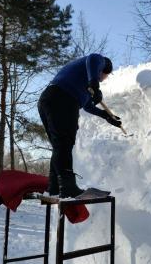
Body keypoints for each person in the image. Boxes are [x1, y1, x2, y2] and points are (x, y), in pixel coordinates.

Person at [38, 54, 122, 198]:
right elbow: (93, 58)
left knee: (59, 145)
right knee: (64, 143)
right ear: (104, 70)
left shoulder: (83, 82)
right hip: (62, 98)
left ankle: (54, 187)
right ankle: (68, 187)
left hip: (49, 99)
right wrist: (95, 83)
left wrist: (106, 116)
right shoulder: (99, 62)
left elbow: (88, 107)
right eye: (105, 76)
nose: (104, 79)